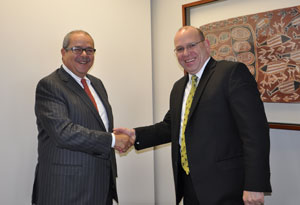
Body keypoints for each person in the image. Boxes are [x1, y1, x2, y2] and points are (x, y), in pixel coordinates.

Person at [115, 26, 272, 205]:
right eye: (180, 49)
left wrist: (254, 184)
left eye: (191, 45)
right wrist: (136, 135)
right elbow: (171, 126)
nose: (186, 53)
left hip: (226, 187)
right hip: (190, 186)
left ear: (206, 45)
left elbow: (255, 132)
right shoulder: (179, 87)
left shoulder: (231, 73)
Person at [31, 30, 132, 205]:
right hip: (66, 188)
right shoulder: (50, 85)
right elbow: (64, 133)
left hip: (100, 185)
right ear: (63, 53)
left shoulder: (97, 84)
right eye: (77, 49)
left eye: (90, 50)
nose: (84, 55)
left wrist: (114, 136)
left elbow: (96, 126)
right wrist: (112, 140)